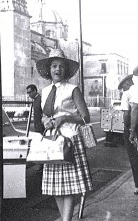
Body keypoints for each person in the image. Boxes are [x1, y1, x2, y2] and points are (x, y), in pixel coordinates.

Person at [36, 49, 93, 221]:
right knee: (54, 187)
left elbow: (85, 117)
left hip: (70, 139)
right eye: (54, 66)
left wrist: (65, 118)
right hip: (52, 142)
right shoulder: (45, 91)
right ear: (49, 69)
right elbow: (44, 115)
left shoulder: (73, 89)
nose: (57, 69)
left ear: (66, 70)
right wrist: (46, 121)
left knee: (69, 187)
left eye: (61, 66)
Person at [118, 74, 138, 194]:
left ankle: (137, 185)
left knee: (134, 157)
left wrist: (129, 129)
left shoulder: (127, 93)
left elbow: (127, 114)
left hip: (134, 127)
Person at [26, 84, 44, 172]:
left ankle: (41, 164)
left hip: (42, 127)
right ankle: (40, 164)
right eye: (27, 93)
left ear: (34, 91)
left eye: (30, 92)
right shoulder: (35, 100)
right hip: (38, 126)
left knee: (42, 145)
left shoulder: (40, 99)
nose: (29, 95)